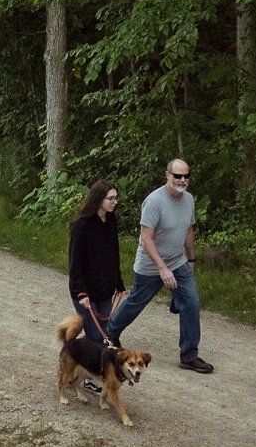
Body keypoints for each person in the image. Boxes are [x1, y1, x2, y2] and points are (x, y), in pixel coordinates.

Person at [106, 158, 213, 373]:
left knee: (192, 302)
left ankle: (189, 355)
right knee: (137, 302)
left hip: (178, 261)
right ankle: (110, 333)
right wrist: (162, 269)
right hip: (151, 265)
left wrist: (191, 260)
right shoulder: (154, 201)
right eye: (177, 176)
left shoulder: (189, 200)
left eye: (185, 176)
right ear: (167, 175)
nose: (182, 180)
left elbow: (189, 232)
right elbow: (146, 239)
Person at [67, 180, 124, 346]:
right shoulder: (82, 226)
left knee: (104, 335)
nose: (115, 202)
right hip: (85, 291)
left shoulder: (111, 221)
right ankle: (80, 362)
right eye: (111, 198)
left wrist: (118, 283)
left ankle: (92, 367)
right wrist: (81, 293)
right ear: (99, 200)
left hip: (105, 290)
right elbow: (75, 262)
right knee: (96, 337)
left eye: (116, 198)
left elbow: (114, 253)